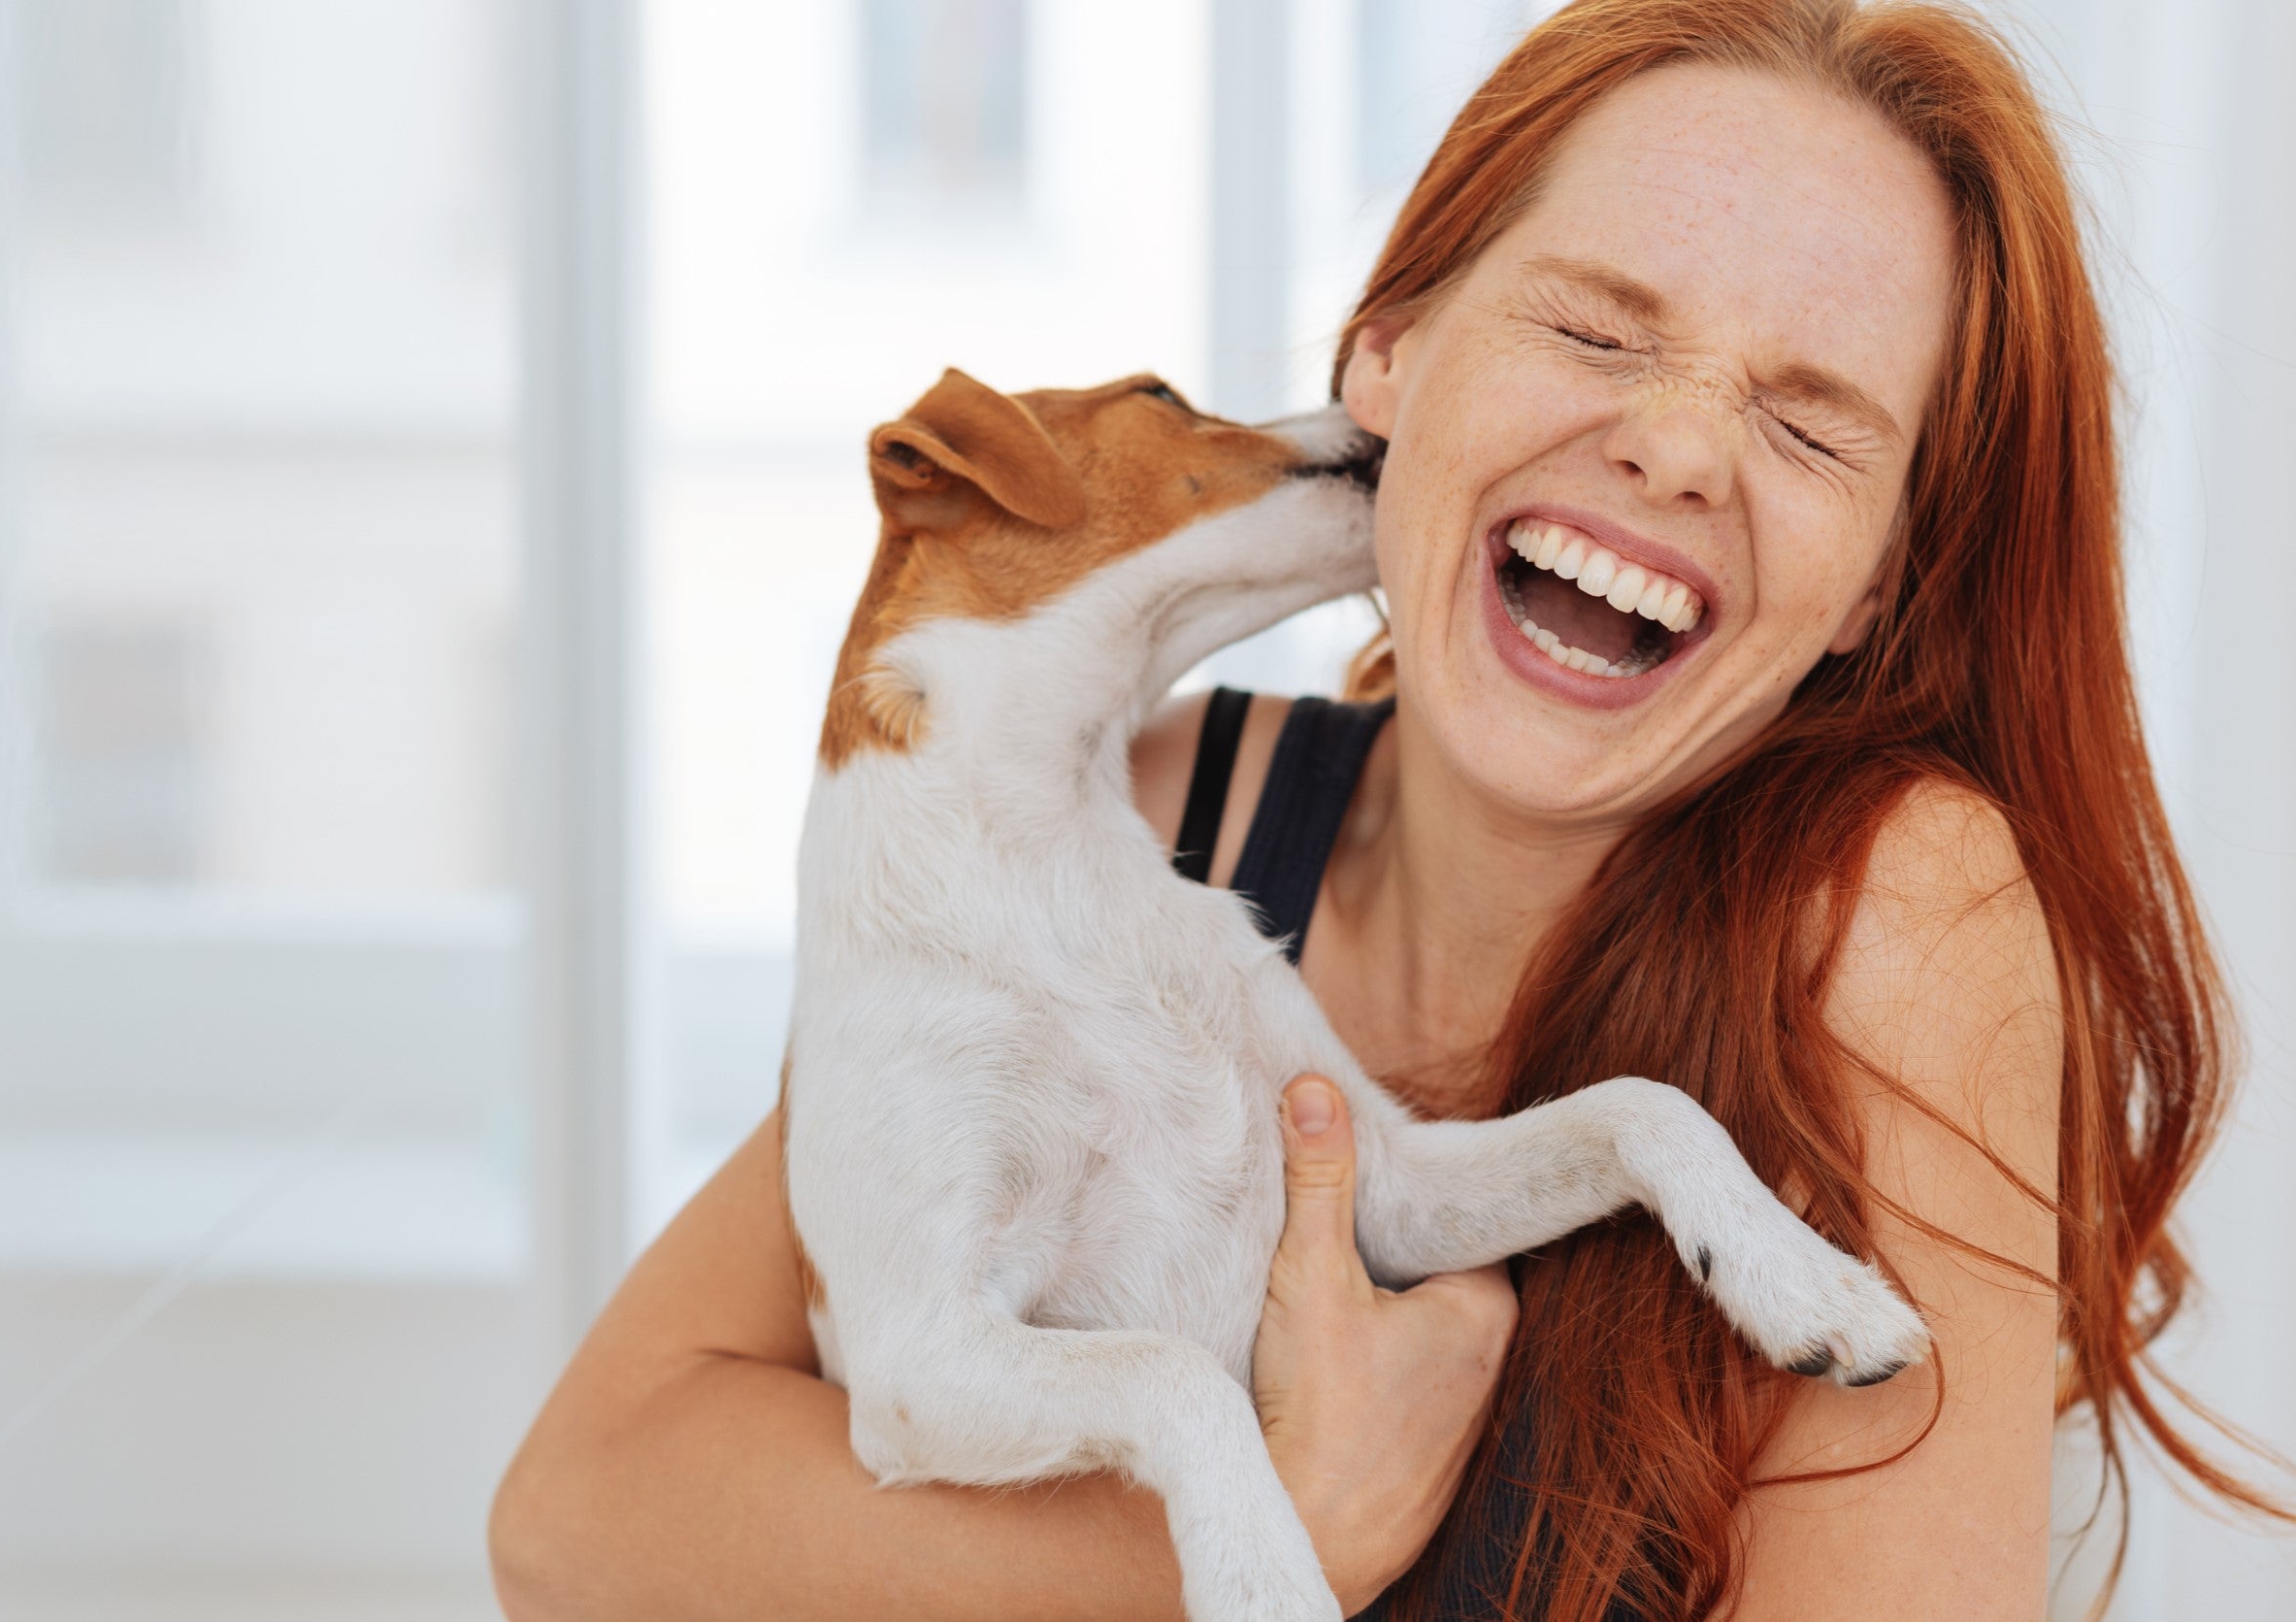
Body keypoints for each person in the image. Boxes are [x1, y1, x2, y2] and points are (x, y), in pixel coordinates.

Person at [488, 1, 2280, 1616]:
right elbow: (584, 1512)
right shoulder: (1145, 809)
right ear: (1390, 360)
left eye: (1814, 432)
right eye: (1594, 325)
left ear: (1885, 584)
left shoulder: (1903, 913)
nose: (1677, 448)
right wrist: (1276, 1522)